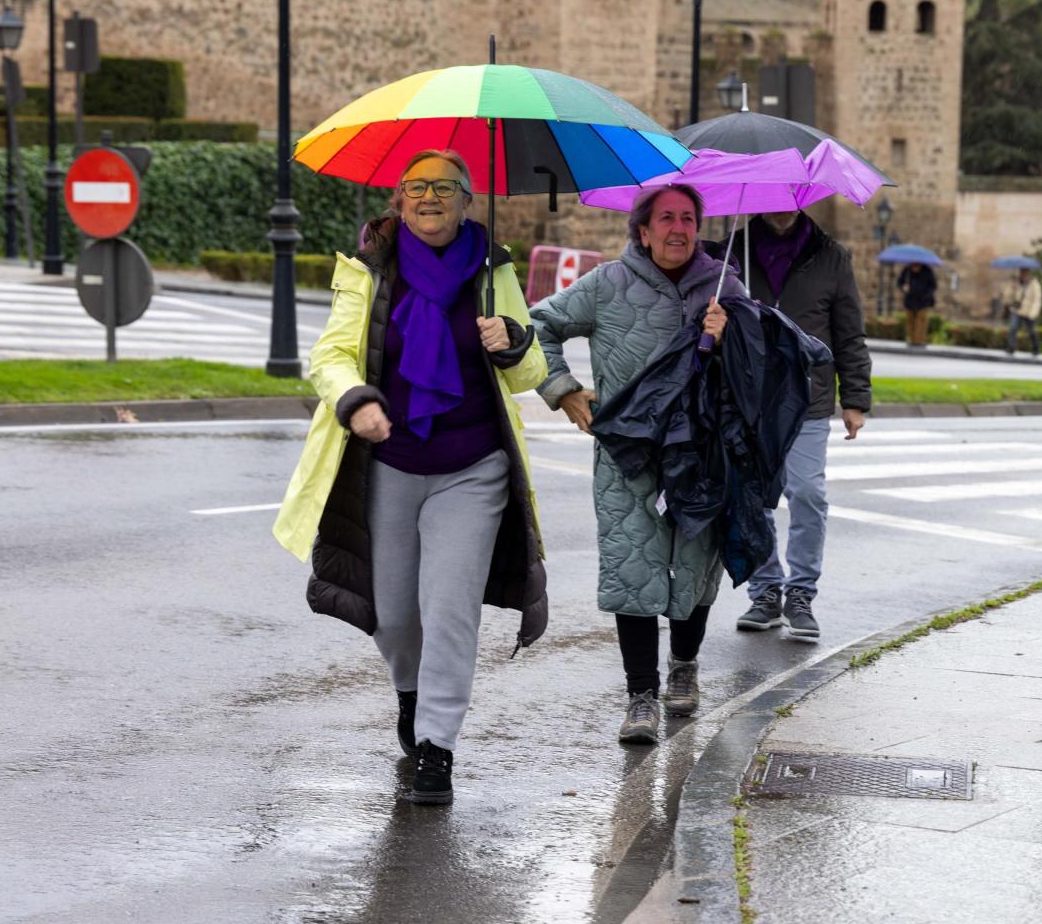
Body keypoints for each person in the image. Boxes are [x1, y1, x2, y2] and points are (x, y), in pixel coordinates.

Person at [272, 150, 548, 806]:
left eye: (446, 188)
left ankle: (438, 746)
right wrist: (356, 399)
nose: (431, 198)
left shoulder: (494, 270)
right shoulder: (367, 269)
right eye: (418, 187)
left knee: (450, 610)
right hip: (391, 459)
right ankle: (411, 692)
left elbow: (530, 370)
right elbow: (332, 355)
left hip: (473, 467)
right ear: (399, 198)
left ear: (465, 200)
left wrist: (511, 341)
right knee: (395, 615)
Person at [530, 185, 736, 746]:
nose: (678, 228)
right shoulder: (607, 284)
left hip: (701, 453)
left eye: (689, 218)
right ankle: (641, 696)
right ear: (642, 230)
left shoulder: (725, 287)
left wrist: (728, 337)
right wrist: (564, 390)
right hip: (629, 453)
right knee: (633, 568)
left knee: (696, 565)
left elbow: (759, 370)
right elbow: (538, 325)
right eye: (665, 218)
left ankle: (686, 666)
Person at [717, 210, 870, 643]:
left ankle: (800, 592)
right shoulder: (735, 251)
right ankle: (766, 591)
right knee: (755, 498)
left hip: (809, 399)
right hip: (751, 397)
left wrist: (855, 398)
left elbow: (849, 332)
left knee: (807, 492)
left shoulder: (832, 256)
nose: (781, 207)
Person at [1002, 269, 1042, 356]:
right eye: (1021, 273)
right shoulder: (1016, 283)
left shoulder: (1034, 284)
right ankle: (1011, 347)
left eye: (1025, 273)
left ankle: (1036, 348)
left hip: (1028, 311)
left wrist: (1033, 313)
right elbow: (1007, 297)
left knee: (1031, 331)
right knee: (1013, 328)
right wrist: (1011, 287)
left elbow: (1037, 300)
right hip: (1017, 310)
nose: (1023, 275)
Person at [898, 262, 937, 347]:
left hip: (923, 301)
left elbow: (933, 285)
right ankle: (912, 340)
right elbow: (900, 282)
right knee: (910, 321)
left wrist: (926, 294)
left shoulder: (927, 271)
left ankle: (919, 341)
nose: (915, 267)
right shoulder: (907, 270)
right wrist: (903, 287)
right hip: (910, 300)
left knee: (921, 320)